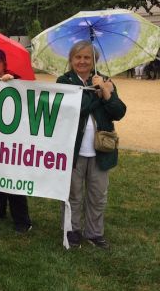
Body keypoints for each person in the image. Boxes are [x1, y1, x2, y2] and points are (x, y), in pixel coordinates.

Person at [57, 40, 126, 249]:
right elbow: (80, 107)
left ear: (94, 60)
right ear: (71, 60)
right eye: (78, 57)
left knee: (98, 195)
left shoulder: (104, 80)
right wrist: (101, 92)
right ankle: (72, 231)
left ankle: (94, 233)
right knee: (73, 194)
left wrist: (106, 92)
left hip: (100, 150)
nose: (82, 61)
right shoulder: (64, 81)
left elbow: (119, 112)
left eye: (87, 57)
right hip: (73, 149)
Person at [0, 48, 33, 233]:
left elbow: (28, 97)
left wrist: (12, 82)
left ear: (4, 64)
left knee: (12, 175)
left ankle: (22, 219)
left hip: (13, 138)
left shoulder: (15, 79)